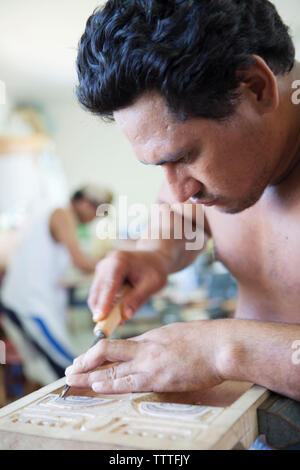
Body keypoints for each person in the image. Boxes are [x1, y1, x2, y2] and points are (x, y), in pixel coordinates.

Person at [65, 0, 300, 404]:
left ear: (255, 87)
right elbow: (178, 212)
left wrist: (224, 349)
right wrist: (155, 253)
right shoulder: (215, 176)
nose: (178, 189)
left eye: (183, 157)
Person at [0, 184, 112, 385]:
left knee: (51, 367)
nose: (95, 218)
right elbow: (80, 261)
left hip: (32, 302)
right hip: (28, 304)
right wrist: (115, 261)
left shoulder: (56, 217)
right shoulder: (62, 215)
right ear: (85, 202)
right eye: (98, 212)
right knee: (68, 368)